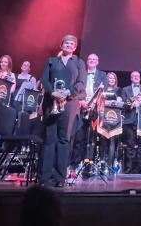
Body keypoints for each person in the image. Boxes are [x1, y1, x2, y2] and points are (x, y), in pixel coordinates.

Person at [39, 34, 87, 187]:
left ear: (75, 47)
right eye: (66, 43)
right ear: (61, 45)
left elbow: (81, 82)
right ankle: (44, 177)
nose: (69, 45)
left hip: (69, 103)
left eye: (72, 43)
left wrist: (68, 93)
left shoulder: (79, 62)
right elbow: (44, 79)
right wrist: (52, 92)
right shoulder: (51, 61)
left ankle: (59, 178)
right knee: (49, 139)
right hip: (51, 102)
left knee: (64, 139)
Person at [71, 53, 107, 168]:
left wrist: (95, 102)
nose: (91, 61)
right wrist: (82, 102)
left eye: (94, 59)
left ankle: (89, 166)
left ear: (97, 62)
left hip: (94, 109)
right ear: (87, 61)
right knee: (79, 137)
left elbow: (104, 91)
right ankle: (76, 164)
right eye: (90, 59)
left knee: (91, 139)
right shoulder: (82, 73)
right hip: (81, 107)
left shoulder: (102, 74)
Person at [120, 71, 141, 174]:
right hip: (129, 119)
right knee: (130, 144)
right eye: (134, 76)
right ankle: (129, 168)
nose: (136, 77)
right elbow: (123, 104)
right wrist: (132, 105)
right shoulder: (125, 89)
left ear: (140, 78)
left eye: (138, 76)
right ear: (131, 78)